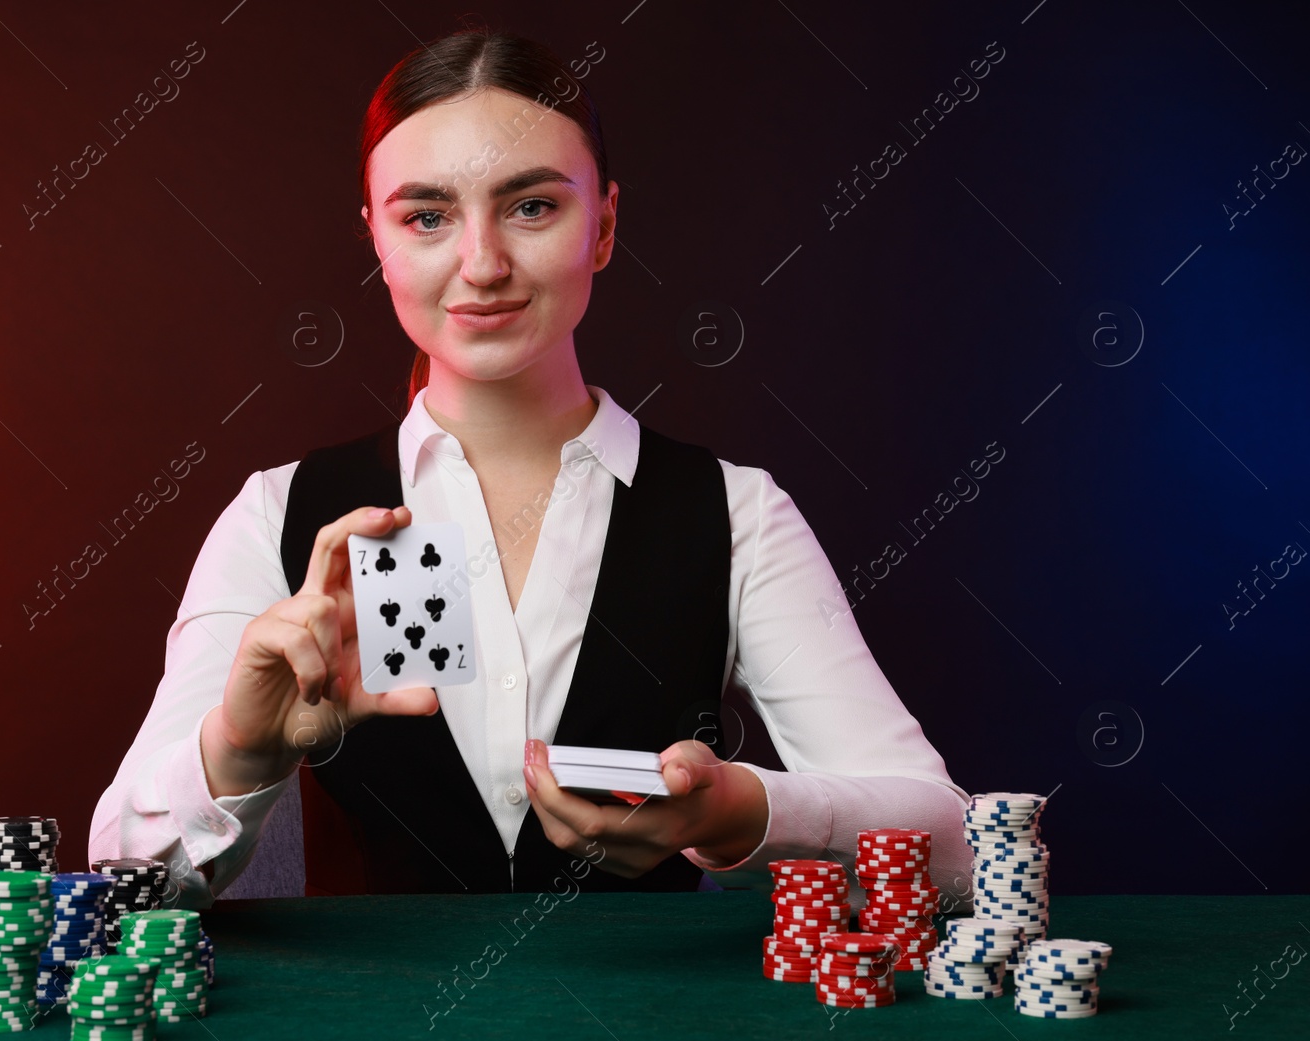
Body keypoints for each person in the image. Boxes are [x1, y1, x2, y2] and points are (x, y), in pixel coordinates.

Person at [90, 27, 971, 906]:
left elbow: (955, 842)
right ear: (377, 240)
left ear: (605, 225)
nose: (482, 265)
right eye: (427, 217)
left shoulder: (734, 512)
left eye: (532, 207)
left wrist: (740, 811)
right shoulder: (275, 514)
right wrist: (240, 749)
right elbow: (125, 874)